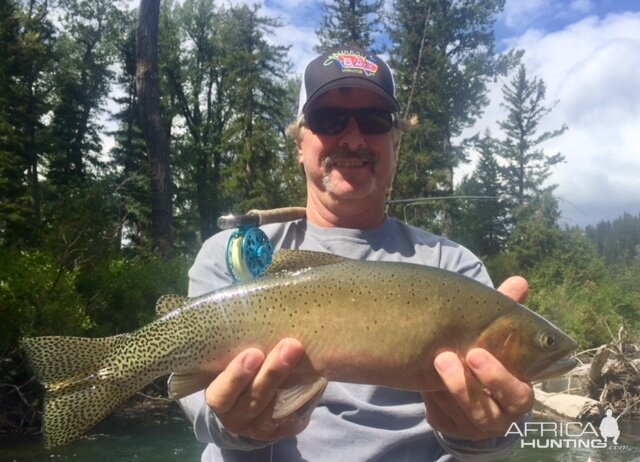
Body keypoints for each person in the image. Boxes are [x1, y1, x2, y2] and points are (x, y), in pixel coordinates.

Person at [177, 45, 533, 461]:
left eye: (374, 121)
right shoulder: (232, 253)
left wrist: (483, 437)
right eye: (328, 119)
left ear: (395, 140)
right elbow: (193, 391)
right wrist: (233, 423)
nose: (352, 137)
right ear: (300, 139)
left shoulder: (454, 267)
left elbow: (505, 423)